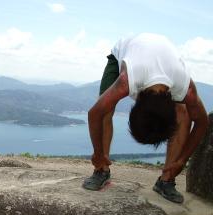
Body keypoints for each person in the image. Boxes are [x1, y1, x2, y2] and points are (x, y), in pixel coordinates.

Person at [82, 33, 209, 204]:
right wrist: (98, 153)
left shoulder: (184, 87)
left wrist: (182, 160)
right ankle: (101, 169)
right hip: (122, 52)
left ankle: (167, 180)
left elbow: (202, 122)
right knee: (106, 109)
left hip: (164, 62)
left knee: (184, 114)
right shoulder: (126, 81)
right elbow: (94, 113)